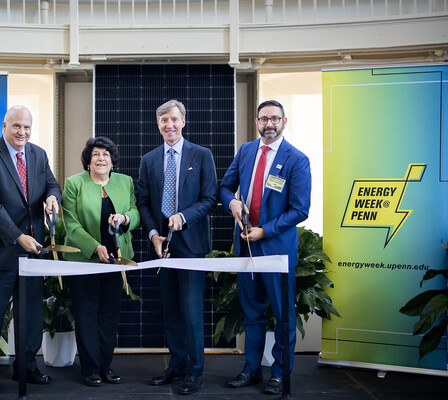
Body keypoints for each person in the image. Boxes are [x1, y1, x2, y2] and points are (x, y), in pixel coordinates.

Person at [219, 100, 311, 395]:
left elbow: (300, 209)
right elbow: (225, 186)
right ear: (256, 122)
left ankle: (280, 374)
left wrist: (265, 231)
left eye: (274, 118)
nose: (268, 124)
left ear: (285, 121)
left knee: (283, 317)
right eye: (263, 119)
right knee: (252, 314)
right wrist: (232, 202)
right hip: (246, 250)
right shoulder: (246, 151)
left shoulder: (297, 159)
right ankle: (252, 370)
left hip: (277, 251)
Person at [0, 105, 62, 394]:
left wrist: (51, 197)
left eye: (27, 127)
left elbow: (52, 184)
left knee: (31, 315)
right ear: (4, 126)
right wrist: (17, 236)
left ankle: (26, 366)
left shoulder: (38, 154)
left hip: (32, 250)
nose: (22, 132)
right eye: (17, 126)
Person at [136, 100, 218, 395]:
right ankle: (177, 365)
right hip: (163, 248)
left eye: (173, 119)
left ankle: (195, 373)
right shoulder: (149, 159)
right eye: (162, 120)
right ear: (157, 125)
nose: (168, 125)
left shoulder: (202, 154)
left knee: (192, 311)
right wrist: (155, 234)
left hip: (192, 245)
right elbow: (143, 202)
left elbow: (210, 198)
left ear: (183, 121)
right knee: (170, 310)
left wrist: (184, 217)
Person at [61, 136, 140, 387]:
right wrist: (95, 248)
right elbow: (70, 224)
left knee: (109, 316)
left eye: (106, 154)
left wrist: (126, 218)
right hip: (83, 259)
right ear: (88, 160)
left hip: (117, 261)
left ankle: (105, 366)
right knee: (87, 315)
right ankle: (90, 370)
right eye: (96, 154)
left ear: (113, 161)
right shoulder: (74, 184)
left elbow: (136, 212)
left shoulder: (125, 182)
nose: (101, 158)